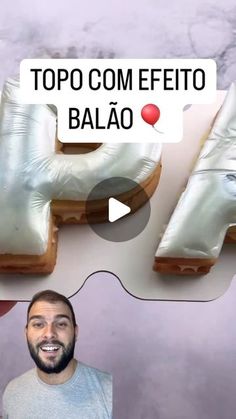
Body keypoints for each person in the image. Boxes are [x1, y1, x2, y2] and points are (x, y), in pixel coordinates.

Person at [2, 290, 112, 419]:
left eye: (61, 324)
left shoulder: (109, 391)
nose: (49, 333)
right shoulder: (12, 391)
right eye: (38, 324)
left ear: (75, 333)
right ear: (26, 333)